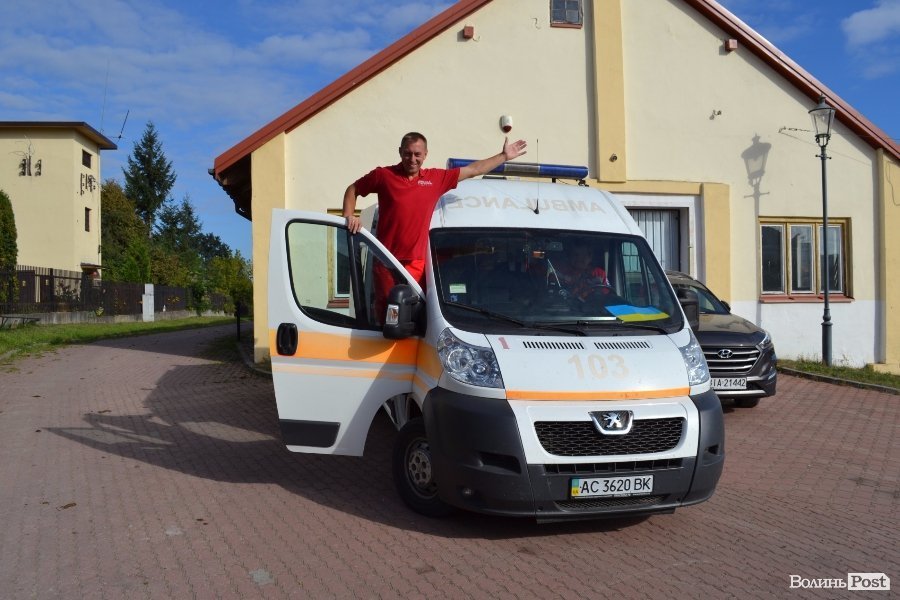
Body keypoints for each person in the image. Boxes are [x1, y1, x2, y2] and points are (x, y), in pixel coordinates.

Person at [342, 132, 527, 317]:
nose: (412, 159)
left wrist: (503, 156)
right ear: (400, 152)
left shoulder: (435, 179)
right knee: (387, 318)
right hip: (386, 262)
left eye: (417, 154)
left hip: (416, 264)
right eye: (407, 153)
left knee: (415, 317)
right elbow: (353, 189)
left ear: (425, 154)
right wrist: (349, 216)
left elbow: (473, 170)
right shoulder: (383, 175)